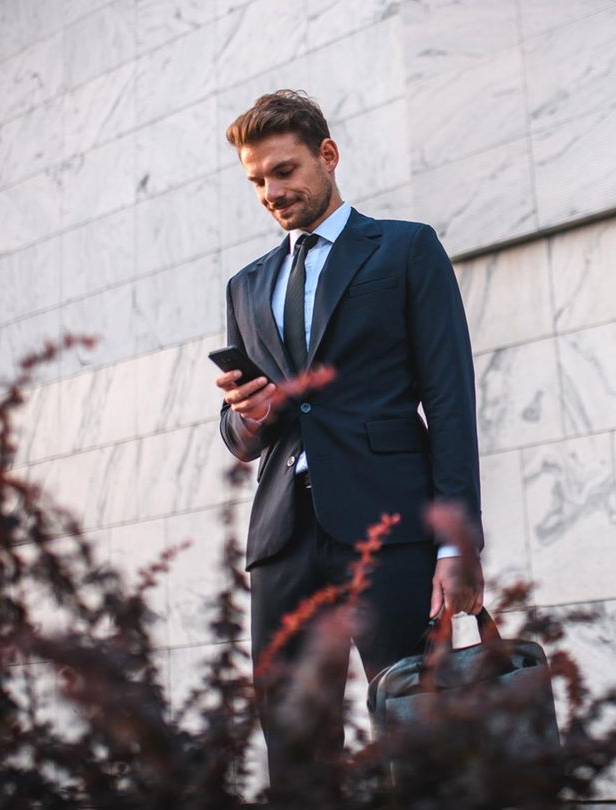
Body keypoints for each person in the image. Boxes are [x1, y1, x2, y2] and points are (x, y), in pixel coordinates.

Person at [213, 89, 485, 798]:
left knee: (417, 729)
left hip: (390, 526)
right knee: (295, 746)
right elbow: (241, 436)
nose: (272, 192)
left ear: (327, 156)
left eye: (284, 170)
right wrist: (250, 414)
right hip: (282, 541)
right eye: (257, 181)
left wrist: (458, 544)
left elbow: (450, 399)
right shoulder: (246, 286)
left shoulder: (403, 248)